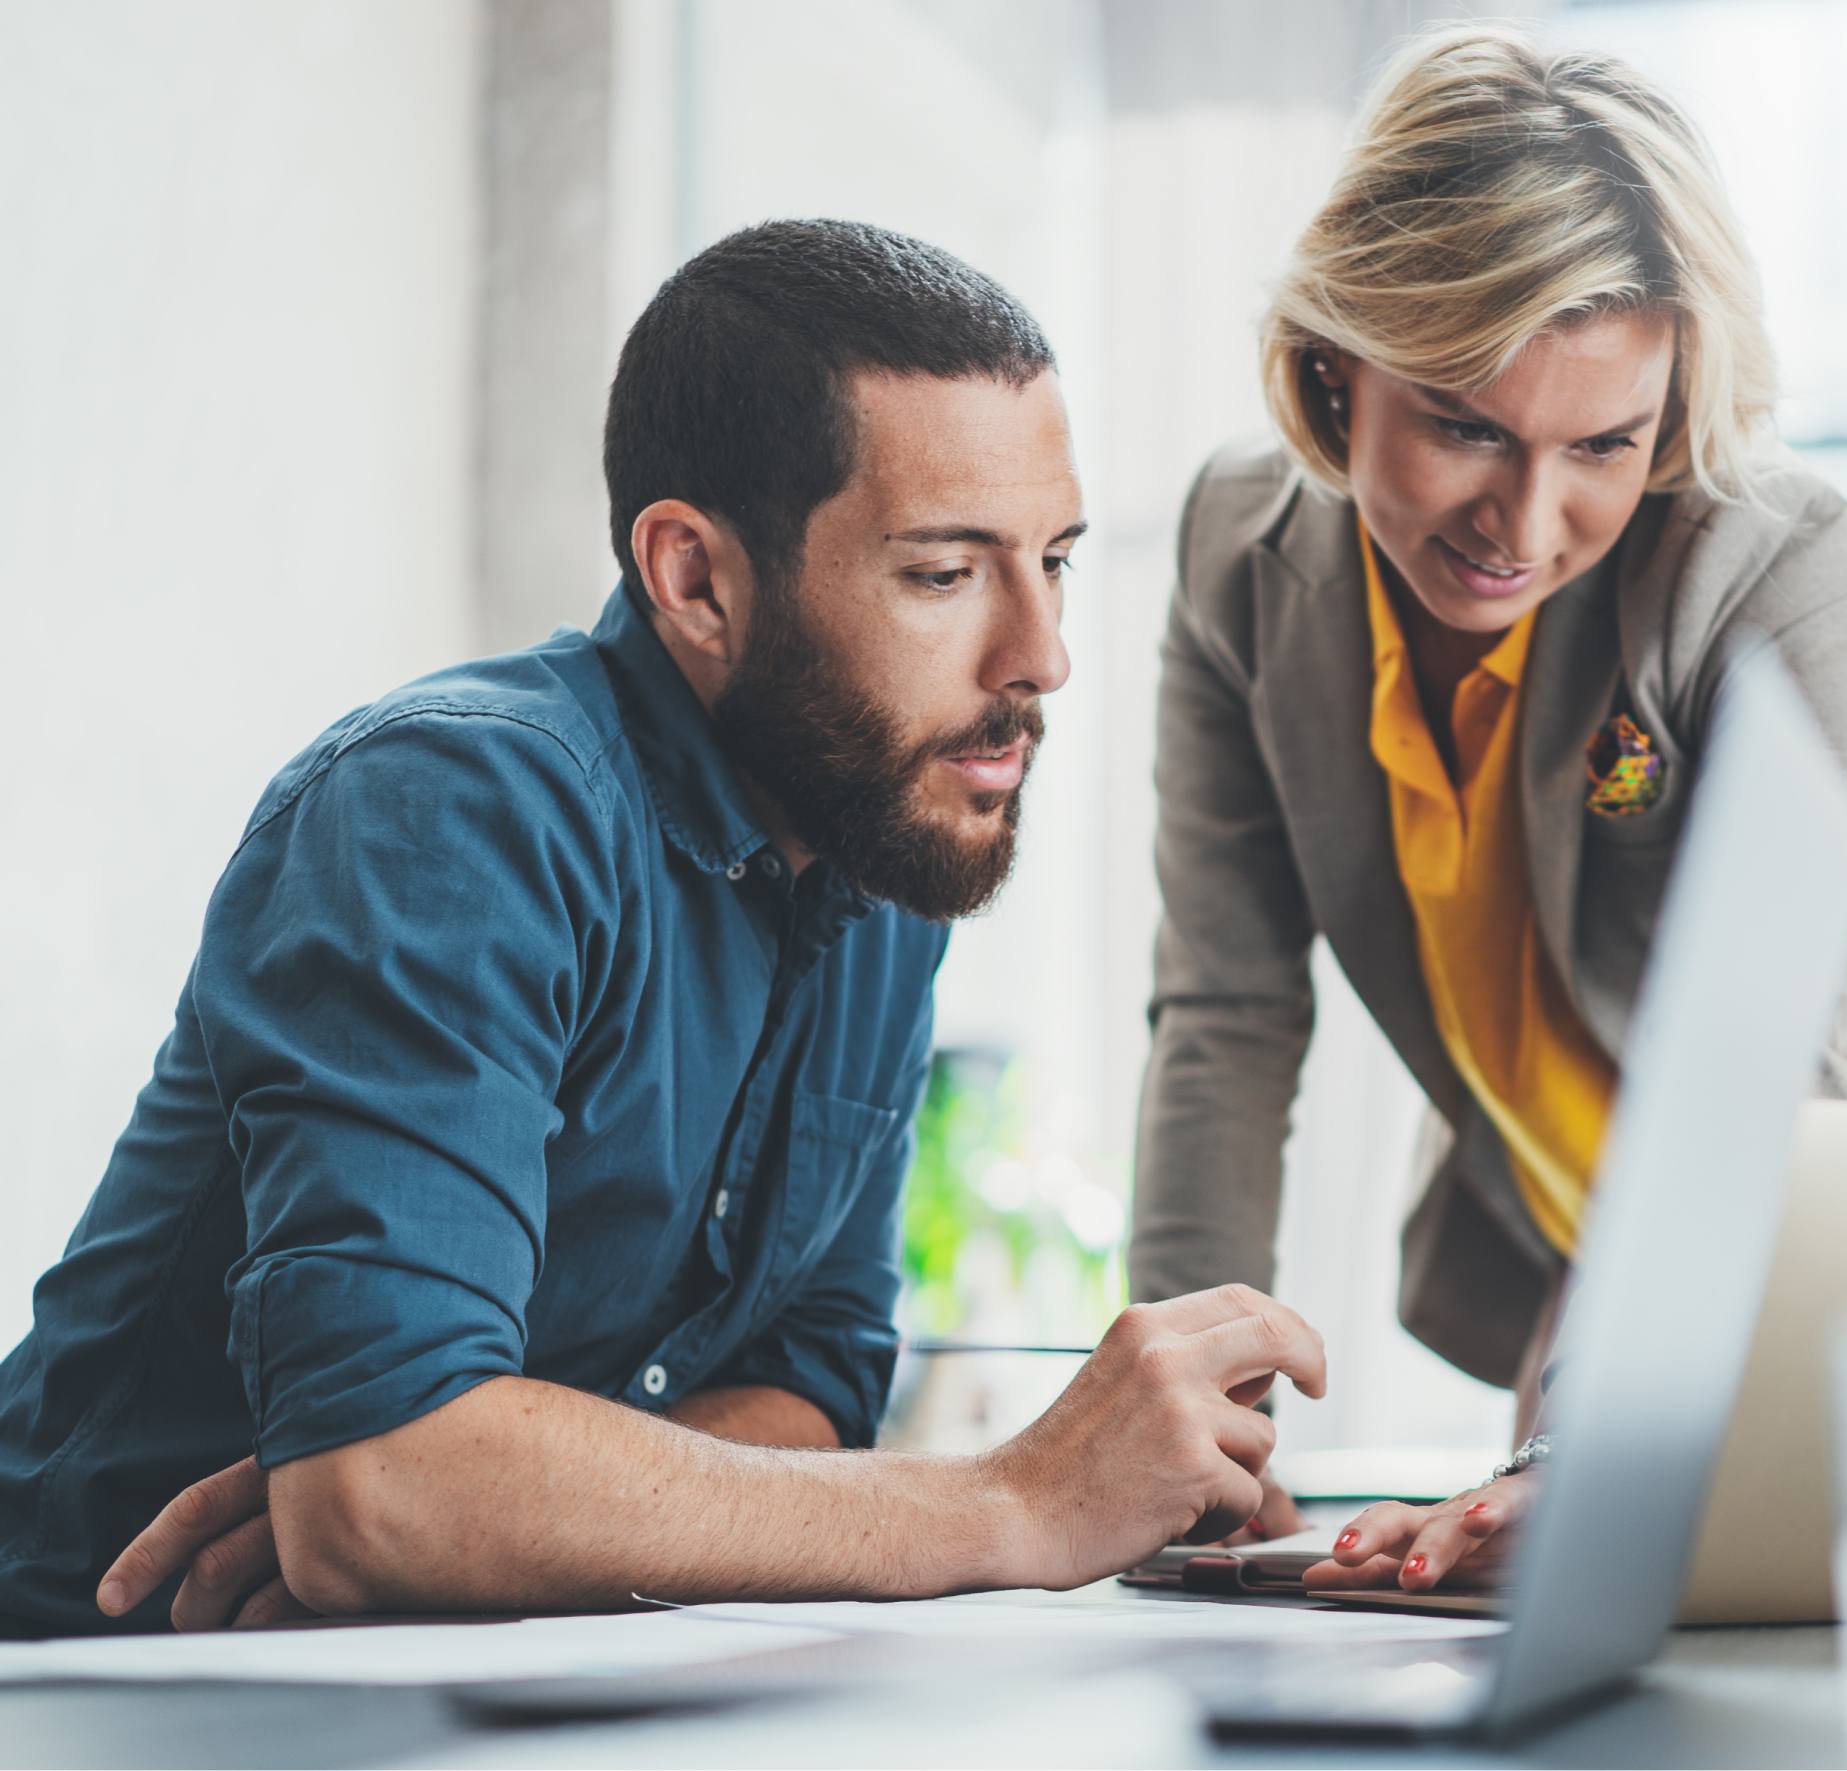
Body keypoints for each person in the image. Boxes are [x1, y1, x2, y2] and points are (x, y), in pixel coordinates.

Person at [0, 219, 1325, 1638]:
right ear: (697, 580)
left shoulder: (878, 847)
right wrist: (1015, 1500)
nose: (1041, 655)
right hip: (101, 1679)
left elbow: (815, 1382)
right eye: (945, 574)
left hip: (467, 1691)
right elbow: (386, 1493)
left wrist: (490, 1488)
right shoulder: (451, 810)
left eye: (1051, 559)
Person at [1127, 23, 1847, 1597]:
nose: (1526, 525)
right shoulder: (1234, 560)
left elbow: (1759, 1086)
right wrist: (1185, 1435)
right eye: (1467, 423)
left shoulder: (1779, 571)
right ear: (1338, 363)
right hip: (1605, 1268)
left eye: (1604, 443)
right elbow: (1225, 1020)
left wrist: (1577, 1444)